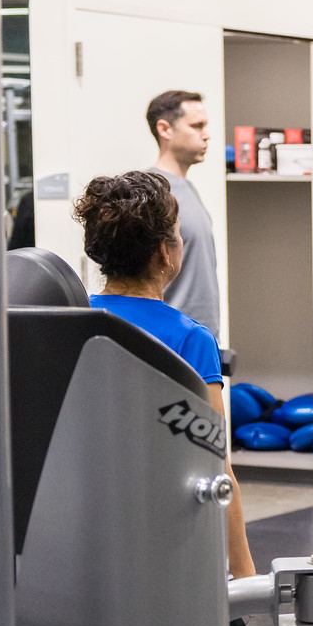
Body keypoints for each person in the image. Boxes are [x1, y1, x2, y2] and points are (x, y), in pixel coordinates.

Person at [73, 169, 255, 580]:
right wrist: (246, 575)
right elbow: (215, 465)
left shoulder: (74, 317)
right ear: (164, 252)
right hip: (163, 529)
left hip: (84, 521)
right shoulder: (191, 338)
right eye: (177, 233)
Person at [144, 90, 222, 339]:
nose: (206, 135)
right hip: (172, 342)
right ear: (165, 129)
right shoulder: (151, 192)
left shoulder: (186, 188)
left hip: (200, 340)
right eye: (197, 126)